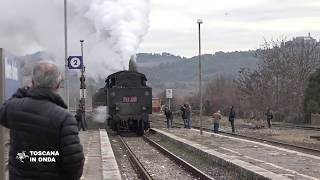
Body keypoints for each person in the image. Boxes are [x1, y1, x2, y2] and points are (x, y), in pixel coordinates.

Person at [0, 61, 85, 180]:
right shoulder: (65, 118)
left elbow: (2, 113)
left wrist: (24, 90)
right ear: (57, 85)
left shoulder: (14, 108)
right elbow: (74, 163)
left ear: (33, 82)